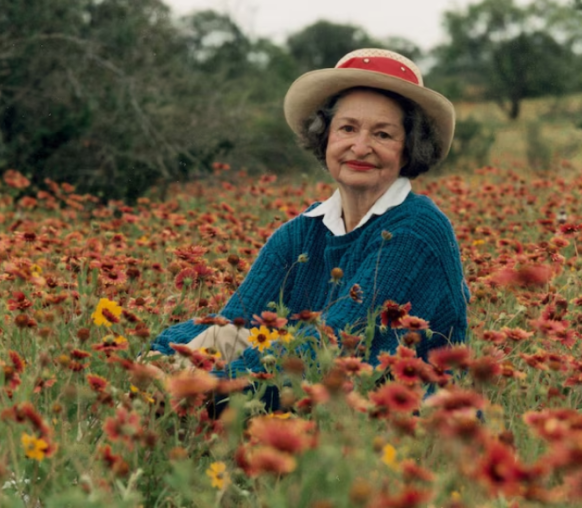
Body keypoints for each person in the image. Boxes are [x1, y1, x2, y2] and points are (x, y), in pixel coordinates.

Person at [146, 48, 469, 386]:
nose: (360, 147)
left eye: (382, 134)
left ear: (410, 148)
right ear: (325, 136)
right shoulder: (301, 233)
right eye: (347, 128)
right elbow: (234, 323)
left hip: (401, 417)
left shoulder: (416, 229)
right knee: (212, 344)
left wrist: (218, 383)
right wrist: (164, 354)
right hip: (296, 393)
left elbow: (340, 343)